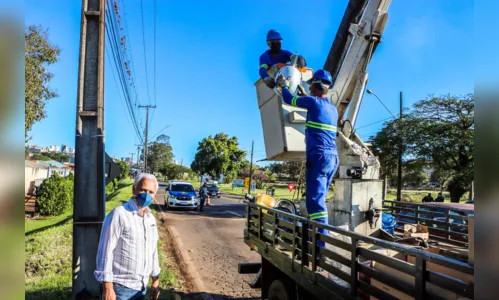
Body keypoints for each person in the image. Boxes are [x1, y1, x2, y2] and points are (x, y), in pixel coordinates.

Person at [276, 69, 339, 248]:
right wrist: (305, 94)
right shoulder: (332, 108)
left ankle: (319, 247)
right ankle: (318, 240)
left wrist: (283, 86)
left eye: (311, 85)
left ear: (317, 86)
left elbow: (289, 99)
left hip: (319, 156)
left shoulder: (312, 102)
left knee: (315, 203)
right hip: (332, 158)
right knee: (320, 199)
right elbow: (313, 104)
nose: (309, 88)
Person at [95, 173, 161, 300]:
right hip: (120, 289)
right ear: (134, 189)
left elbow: (153, 252)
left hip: (141, 288)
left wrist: (155, 281)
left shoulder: (150, 219)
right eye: (143, 190)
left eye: (151, 192)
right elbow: (105, 252)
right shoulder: (119, 214)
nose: (146, 194)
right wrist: (108, 289)